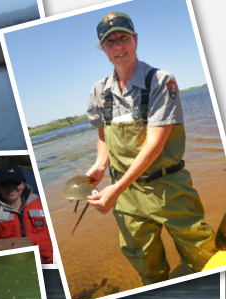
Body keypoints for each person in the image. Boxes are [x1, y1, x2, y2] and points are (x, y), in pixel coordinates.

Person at [84, 12, 216, 284]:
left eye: (123, 37)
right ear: (103, 49)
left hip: (168, 187)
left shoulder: (160, 80)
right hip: (126, 196)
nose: (118, 46)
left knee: (202, 252)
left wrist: (115, 189)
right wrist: (100, 165)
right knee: (144, 263)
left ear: (135, 39)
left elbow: (155, 144)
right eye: (110, 41)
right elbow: (104, 133)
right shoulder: (99, 91)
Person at [0, 164, 53, 264]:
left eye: (15, 182)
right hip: (12, 266)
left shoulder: (43, 203)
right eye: (5, 183)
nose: (11, 187)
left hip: (46, 263)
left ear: (23, 184)